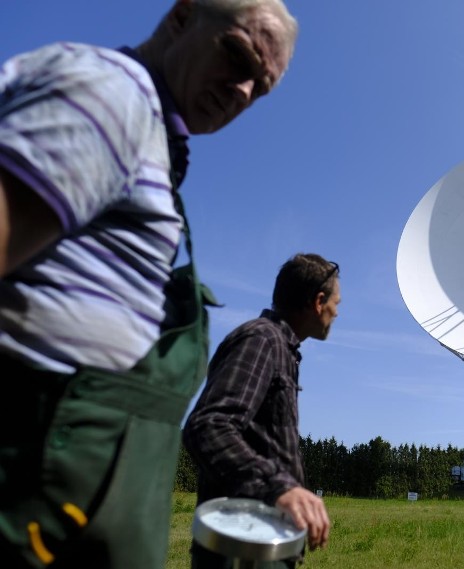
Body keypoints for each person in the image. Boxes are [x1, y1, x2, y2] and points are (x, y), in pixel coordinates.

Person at [0, 1, 298, 567]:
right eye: (237, 55)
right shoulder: (111, 100)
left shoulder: (150, 139)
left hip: (72, 492)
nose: (240, 91)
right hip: (33, 479)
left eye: (259, 88)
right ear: (183, 17)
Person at [183, 253, 339, 568]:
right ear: (319, 301)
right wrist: (279, 487)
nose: (337, 312)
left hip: (262, 541)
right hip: (241, 548)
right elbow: (209, 425)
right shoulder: (261, 340)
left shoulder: (281, 349)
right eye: (337, 302)